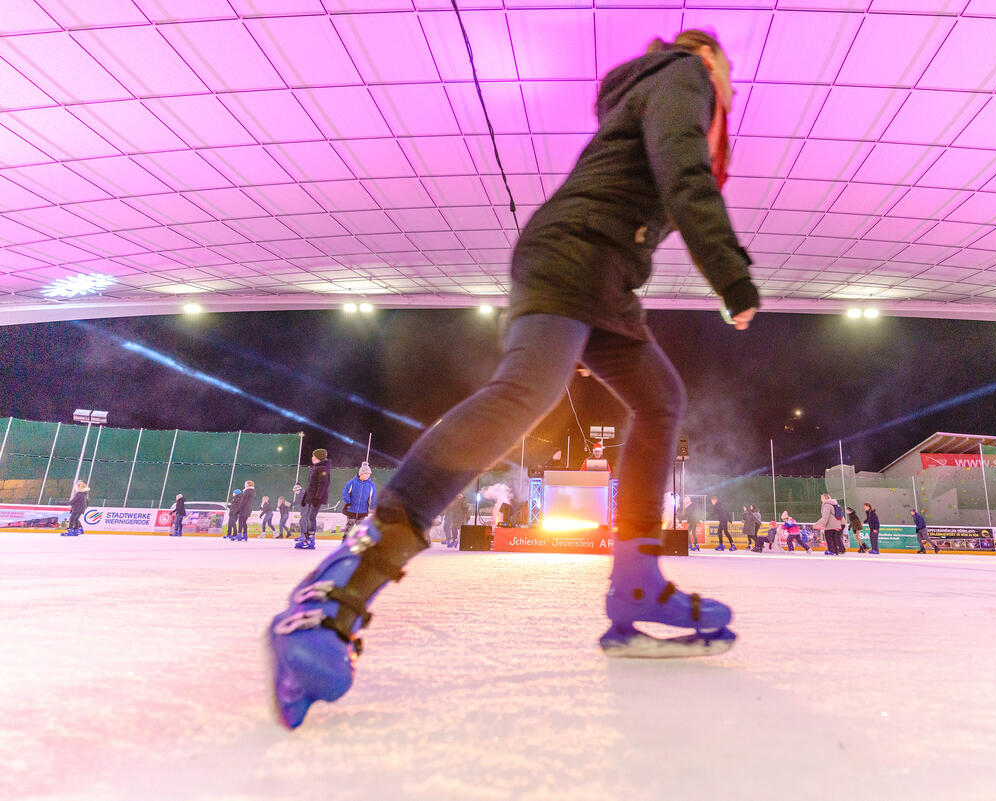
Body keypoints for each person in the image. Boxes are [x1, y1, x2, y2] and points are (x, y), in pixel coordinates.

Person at [267, 29, 759, 728]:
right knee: (527, 392)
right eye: (730, 75)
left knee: (659, 401)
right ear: (710, 57)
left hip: (602, 274)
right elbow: (684, 170)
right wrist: (732, 274)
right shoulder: (687, 73)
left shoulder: (653, 86)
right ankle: (334, 594)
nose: (731, 91)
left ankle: (637, 584)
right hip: (576, 256)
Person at [296, 449, 331, 550]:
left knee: (311, 517)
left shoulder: (323, 468)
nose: (312, 457)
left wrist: (317, 498)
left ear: (319, 457)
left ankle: (311, 540)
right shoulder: (315, 467)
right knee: (308, 517)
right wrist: (305, 497)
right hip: (311, 497)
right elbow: (310, 486)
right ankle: (307, 539)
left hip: (316, 498)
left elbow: (323, 485)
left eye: (314, 456)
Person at [341, 465, 378, 534]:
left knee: (360, 529)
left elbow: (373, 496)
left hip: (363, 510)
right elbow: (345, 493)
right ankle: (345, 539)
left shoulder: (371, 485)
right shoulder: (352, 482)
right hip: (351, 509)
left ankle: (358, 540)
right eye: (366, 473)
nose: (367, 475)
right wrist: (348, 502)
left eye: (369, 474)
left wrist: (372, 506)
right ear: (361, 473)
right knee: (349, 527)